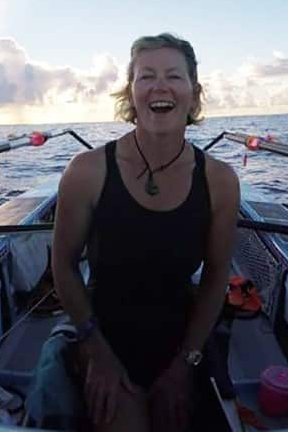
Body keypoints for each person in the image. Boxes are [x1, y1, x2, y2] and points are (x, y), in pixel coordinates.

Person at [51, 33, 240, 432]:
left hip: (181, 336)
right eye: (146, 76)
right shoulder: (87, 171)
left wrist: (185, 364)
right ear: (131, 93)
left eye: (174, 76)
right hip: (101, 330)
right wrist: (95, 351)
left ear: (193, 94)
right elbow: (63, 266)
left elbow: (217, 276)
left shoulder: (220, 181)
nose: (160, 86)